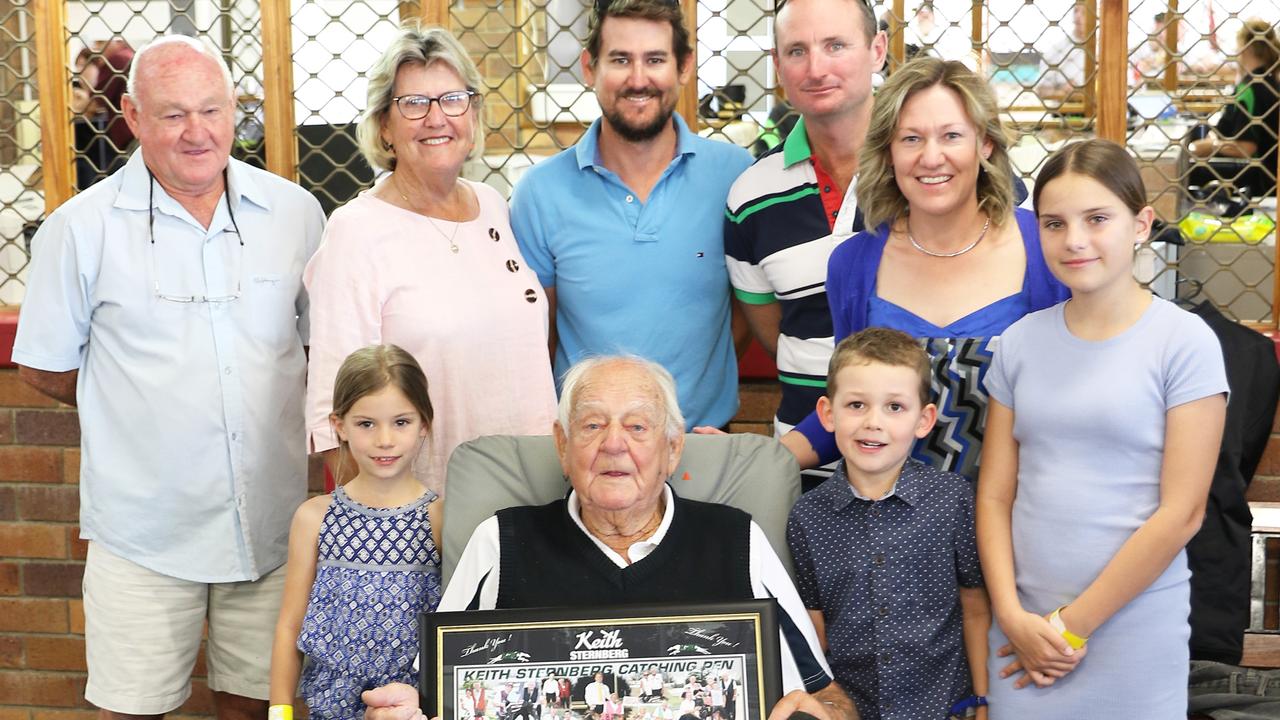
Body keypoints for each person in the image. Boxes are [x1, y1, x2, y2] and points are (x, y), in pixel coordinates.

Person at [12, 35, 325, 719]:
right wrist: (142, 405)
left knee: (259, 707)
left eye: (211, 110)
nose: (197, 132)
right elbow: (44, 366)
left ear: (233, 110)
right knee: (132, 711)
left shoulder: (296, 215)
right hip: (144, 535)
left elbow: (314, 350)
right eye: (173, 113)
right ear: (131, 114)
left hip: (271, 529)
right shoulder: (81, 229)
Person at [362, 356, 860, 720]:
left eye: (638, 426)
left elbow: (829, 696)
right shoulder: (502, 540)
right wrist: (402, 708)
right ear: (562, 445)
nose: (614, 443)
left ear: (672, 449)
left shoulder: (736, 538)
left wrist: (826, 716)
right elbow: (428, 691)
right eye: (592, 424)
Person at [977, 138, 1228, 717]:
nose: (1076, 240)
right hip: (1023, 633)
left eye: (1097, 218)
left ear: (1140, 224)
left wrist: (1071, 628)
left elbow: (1182, 513)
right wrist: (1012, 615)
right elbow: (994, 494)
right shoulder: (1019, 344)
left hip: (1130, 631)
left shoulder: (1184, 344)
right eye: (1054, 223)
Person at [782, 57, 1069, 481]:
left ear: (985, 143)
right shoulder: (854, 264)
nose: (931, 158)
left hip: (1024, 524)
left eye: (951, 136)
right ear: (888, 151)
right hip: (890, 533)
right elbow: (853, 407)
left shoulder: (1045, 248)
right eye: (911, 138)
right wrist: (750, 460)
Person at [304, 21, 556, 498]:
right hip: (428, 514)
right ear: (384, 125)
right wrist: (384, 534)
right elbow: (333, 414)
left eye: (452, 99)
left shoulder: (494, 207)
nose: (437, 118)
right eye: (414, 104)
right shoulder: (356, 230)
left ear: (473, 114)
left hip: (535, 496)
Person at [510, 0, 753, 430]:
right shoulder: (539, 193)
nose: (638, 79)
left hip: (705, 443)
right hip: (587, 456)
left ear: (683, 66)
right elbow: (536, 338)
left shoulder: (735, 176)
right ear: (590, 68)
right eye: (620, 60)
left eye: (655, 59)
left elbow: (747, 307)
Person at [723, 0, 885, 487]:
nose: (816, 68)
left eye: (836, 45)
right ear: (778, 66)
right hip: (801, 469)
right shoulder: (749, 196)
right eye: (797, 51)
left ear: (877, 50)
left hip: (923, 464)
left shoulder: (932, 168)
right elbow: (777, 333)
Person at [788, 328, 988, 720]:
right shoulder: (808, 516)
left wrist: (983, 700)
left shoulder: (952, 499)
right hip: (853, 709)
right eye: (857, 405)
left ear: (924, 419)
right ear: (828, 414)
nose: (873, 422)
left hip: (945, 708)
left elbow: (976, 607)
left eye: (894, 407)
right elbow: (814, 625)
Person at [269, 345, 443, 719]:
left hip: (409, 710)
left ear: (424, 424)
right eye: (367, 424)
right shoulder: (314, 518)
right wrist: (279, 712)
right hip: (329, 710)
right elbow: (289, 627)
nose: (384, 440)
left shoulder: (440, 518)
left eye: (401, 422)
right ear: (339, 426)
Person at [1189, 19, 1280, 197]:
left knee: (1188, 171)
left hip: (1259, 178)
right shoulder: (1269, 81)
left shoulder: (1250, 89)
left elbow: (1245, 148)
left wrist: (1211, 146)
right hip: (1269, 171)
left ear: (1244, 48)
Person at [72, 39, 136, 189]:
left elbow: (95, 101)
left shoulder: (116, 60)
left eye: (99, 43)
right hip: (130, 131)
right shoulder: (127, 57)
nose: (96, 47)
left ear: (117, 43)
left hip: (127, 134)